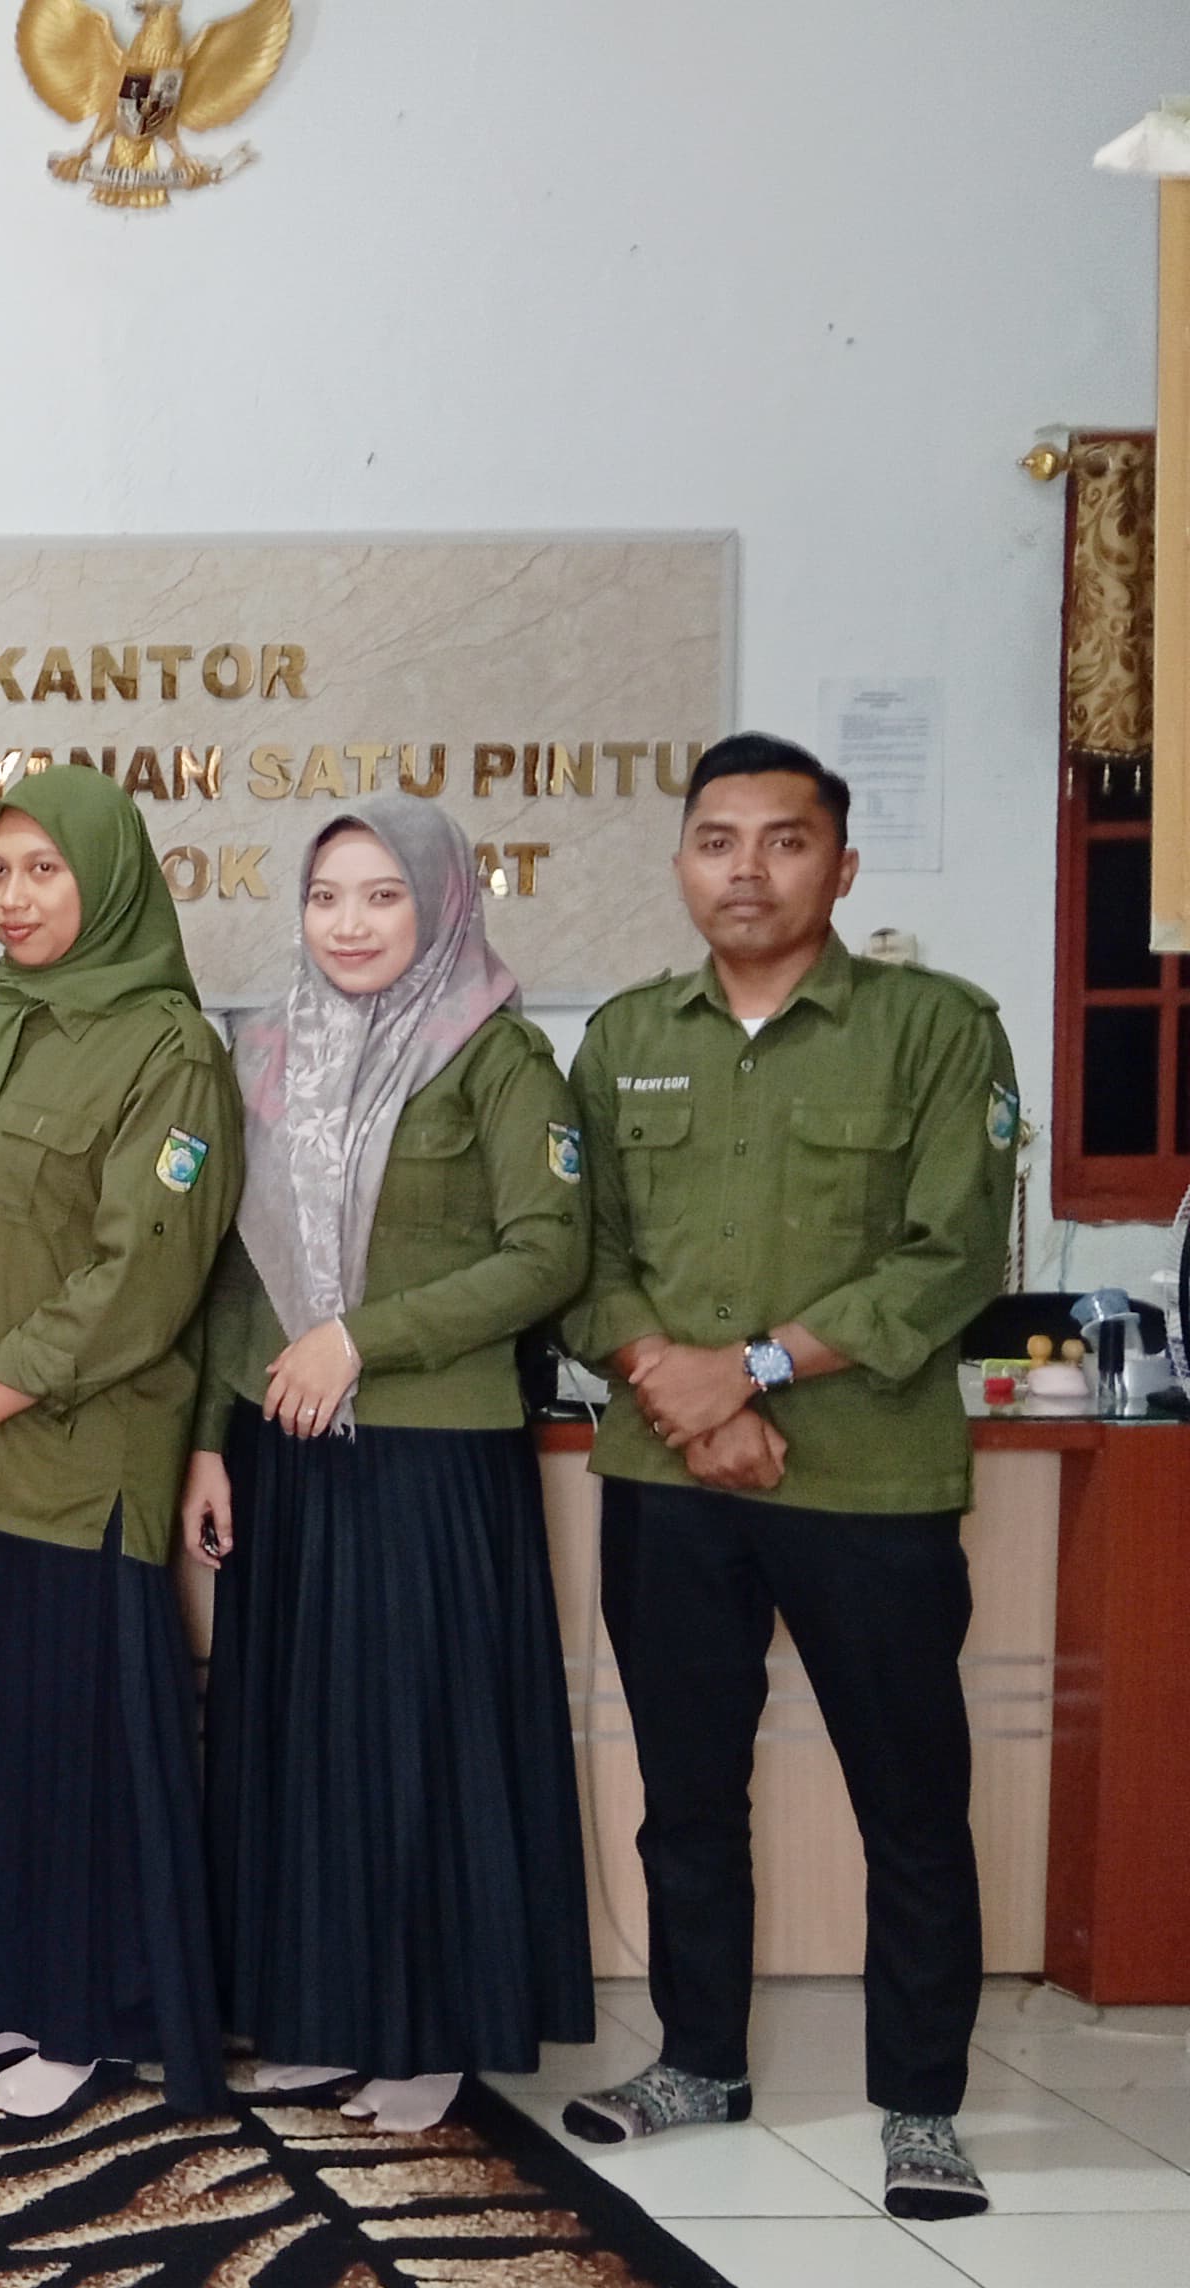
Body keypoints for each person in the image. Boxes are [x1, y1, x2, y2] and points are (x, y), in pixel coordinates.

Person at [553, 736, 1019, 2221]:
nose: (746, 869)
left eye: (784, 840)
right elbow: (584, 1257)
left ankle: (922, 2106)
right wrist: (685, 1397)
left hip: (865, 1488)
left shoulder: (938, 1029)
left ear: (843, 864)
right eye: (717, 841)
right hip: (670, 1482)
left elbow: (950, 1260)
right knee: (689, 1792)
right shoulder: (624, 1034)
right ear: (683, 861)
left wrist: (747, 1372)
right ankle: (699, 2062)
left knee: (912, 1801)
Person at [178, 798, 592, 2134]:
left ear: (441, 904)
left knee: (421, 1748)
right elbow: (242, 1275)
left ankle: (428, 2033)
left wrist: (361, 1337)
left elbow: (547, 1254)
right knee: (302, 1748)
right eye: (326, 898)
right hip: (289, 1455)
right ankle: (319, 2014)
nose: (349, 924)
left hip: (432, 1457)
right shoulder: (275, 1058)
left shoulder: (498, 1055)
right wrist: (210, 1443)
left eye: (380, 897)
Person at [0, 760, 241, 2119]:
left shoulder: (168, 1049)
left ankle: (76, 2019)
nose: (12, 899)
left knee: (69, 1751)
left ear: (111, 878)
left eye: (42, 871)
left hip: (70, 1459)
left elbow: (142, 1273)